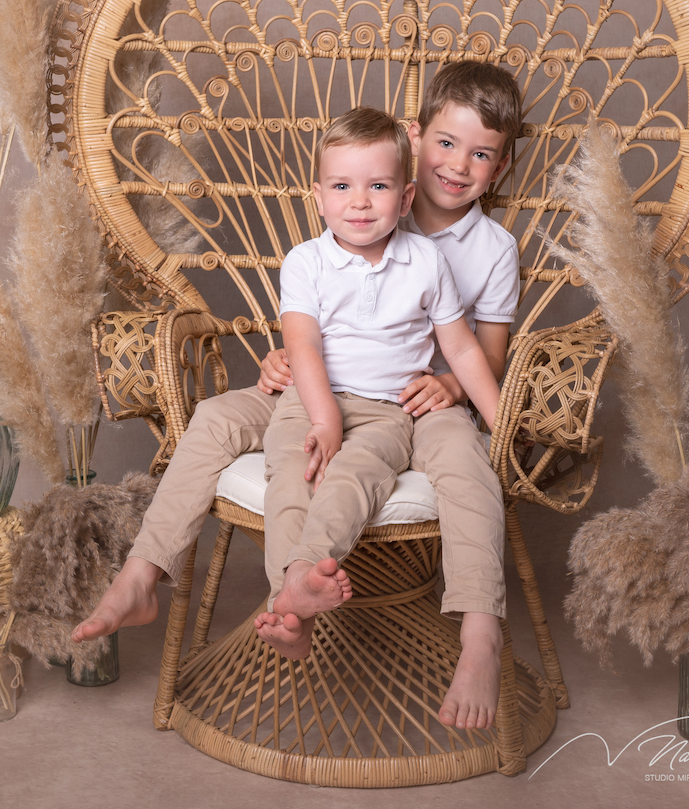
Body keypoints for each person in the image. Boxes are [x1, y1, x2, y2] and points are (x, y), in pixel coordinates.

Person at [73, 60, 520, 730]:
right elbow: (310, 333)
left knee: (352, 466)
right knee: (217, 418)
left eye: (480, 153)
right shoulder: (322, 248)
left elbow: (471, 350)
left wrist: (480, 409)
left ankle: (439, 624)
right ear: (416, 138)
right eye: (445, 144)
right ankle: (146, 571)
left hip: (400, 403)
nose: (456, 165)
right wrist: (293, 361)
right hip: (313, 388)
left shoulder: (473, 250)